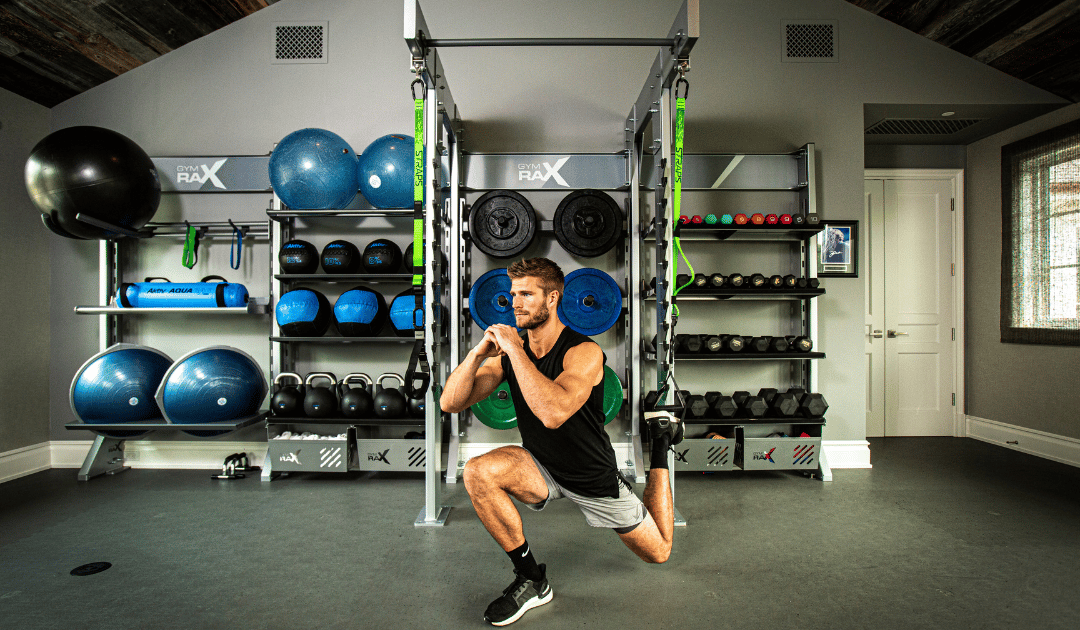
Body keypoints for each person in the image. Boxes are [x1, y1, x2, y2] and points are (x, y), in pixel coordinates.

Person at [440, 257, 683, 626]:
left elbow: (553, 413)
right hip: (541, 465)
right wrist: (476, 355)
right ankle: (532, 579)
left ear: (552, 299)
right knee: (477, 471)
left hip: (591, 476)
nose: (514, 303)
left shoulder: (582, 352)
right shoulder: (511, 353)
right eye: (512, 294)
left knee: (659, 552)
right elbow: (451, 402)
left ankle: (661, 444)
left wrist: (515, 351)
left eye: (526, 294)